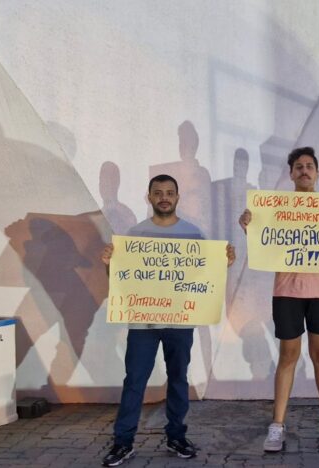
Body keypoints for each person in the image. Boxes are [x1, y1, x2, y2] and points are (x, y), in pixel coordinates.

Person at [101, 174, 235, 467]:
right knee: (134, 381)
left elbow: (206, 275)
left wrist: (223, 262)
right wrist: (110, 264)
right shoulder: (135, 234)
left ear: (177, 197)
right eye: (158, 192)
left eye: (170, 192)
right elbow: (120, 279)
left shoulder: (193, 234)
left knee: (178, 379)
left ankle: (176, 436)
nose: (164, 197)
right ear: (149, 197)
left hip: (180, 321)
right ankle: (123, 442)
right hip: (142, 323)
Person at [239, 147, 319, 452]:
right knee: (288, 357)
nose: (304, 171)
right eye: (299, 167)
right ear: (291, 174)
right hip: (287, 292)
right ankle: (277, 426)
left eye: (309, 166)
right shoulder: (275, 209)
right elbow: (265, 242)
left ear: (317, 173)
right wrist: (250, 227)